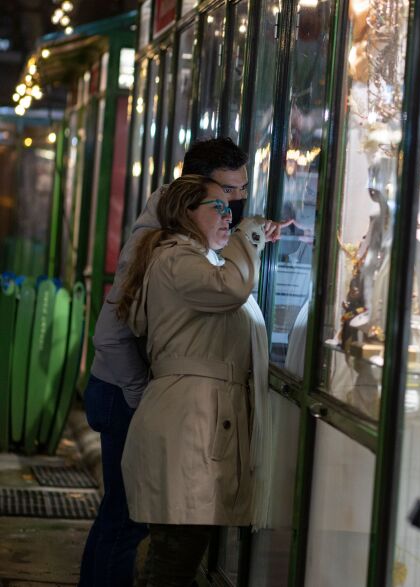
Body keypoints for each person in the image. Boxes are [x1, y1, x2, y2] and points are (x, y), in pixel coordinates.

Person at [78, 137, 285, 586]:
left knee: (132, 524)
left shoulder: (193, 235)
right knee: (128, 524)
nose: (236, 203)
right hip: (122, 392)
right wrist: (142, 397)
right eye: (227, 194)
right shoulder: (165, 243)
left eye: (241, 191)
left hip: (147, 397)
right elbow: (112, 334)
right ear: (194, 191)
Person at [114, 174, 270, 585]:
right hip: (189, 426)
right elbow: (232, 288)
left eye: (229, 208)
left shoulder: (189, 259)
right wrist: (248, 233)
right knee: (176, 554)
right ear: (186, 214)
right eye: (216, 208)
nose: (227, 216)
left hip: (194, 423)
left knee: (174, 551)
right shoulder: (178, 260)